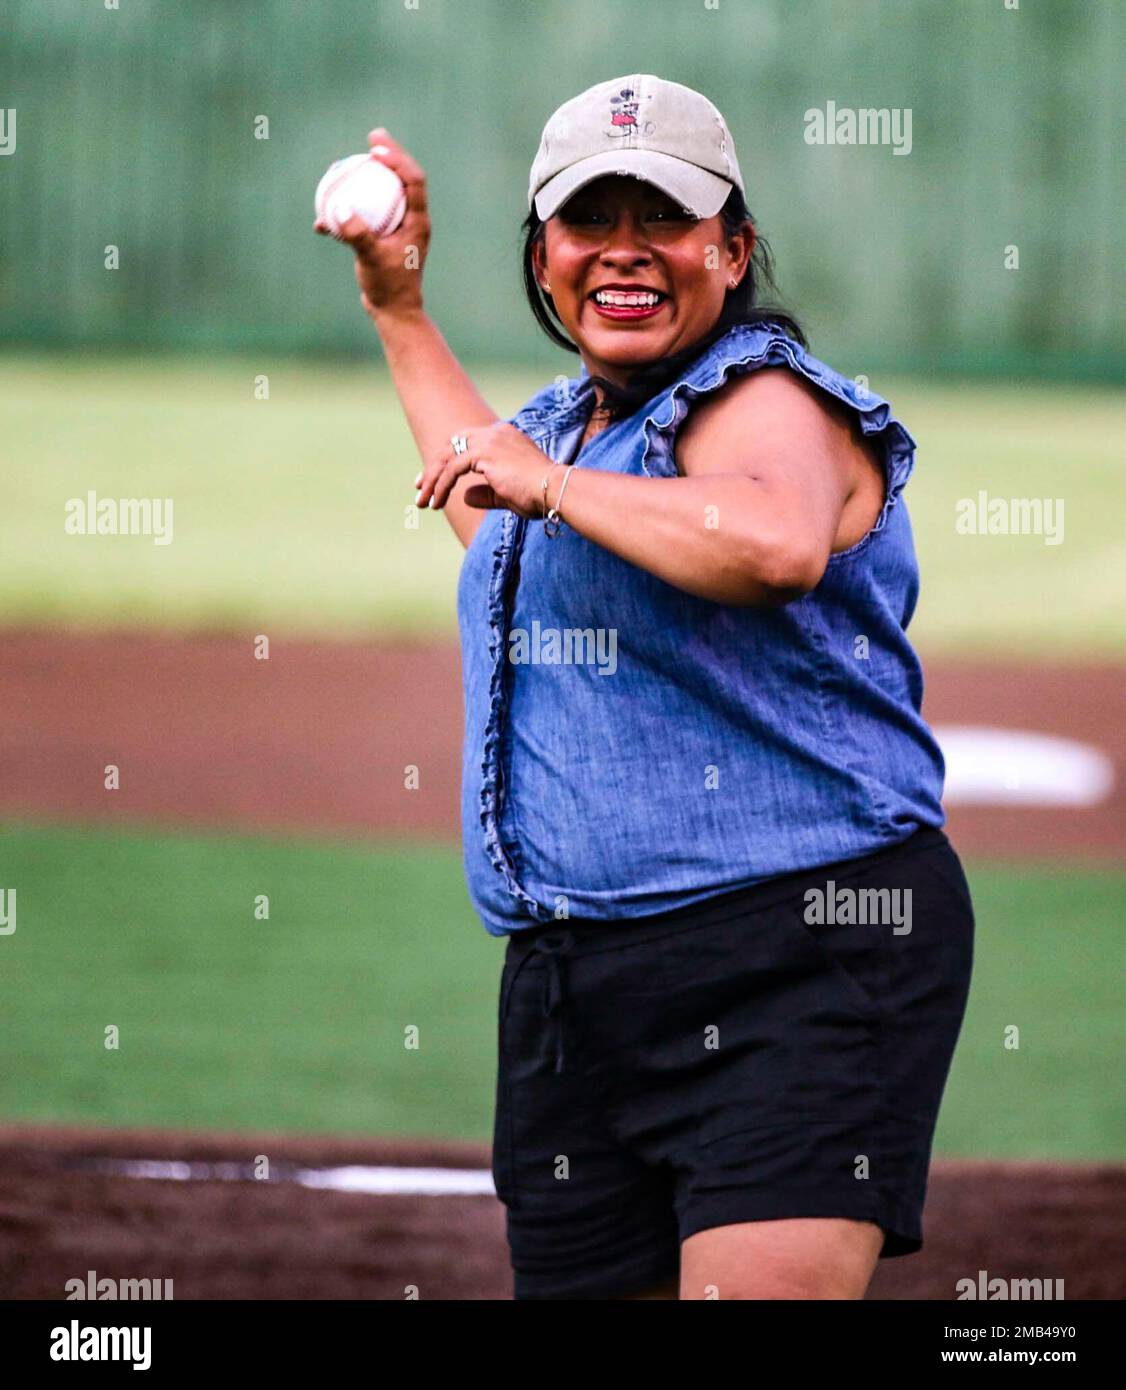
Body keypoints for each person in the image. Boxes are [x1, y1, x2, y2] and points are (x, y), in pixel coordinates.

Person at [316, 74, 975, 1302]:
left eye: (661, 221)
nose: (623, 254)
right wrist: (400, 311)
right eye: (587, 222)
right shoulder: (571, 429)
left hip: (801, 957)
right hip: (581, 993)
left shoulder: (768, 398)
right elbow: (499, 522)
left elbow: (772, 543)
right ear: (542, 253)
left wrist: (547, 485)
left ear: (730, 251)